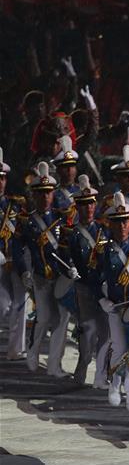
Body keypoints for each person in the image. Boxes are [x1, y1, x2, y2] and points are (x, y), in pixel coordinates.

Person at [16, 162, 77, 376]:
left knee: (62, 320)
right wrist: (24, 271)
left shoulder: (62, 218)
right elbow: (17, 248)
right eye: (41, 193)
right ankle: (32, 354)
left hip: (60, 277)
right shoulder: (27, 221)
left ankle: (54, 365)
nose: (45, 197)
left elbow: (70, 247)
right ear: (34, 195)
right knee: (43, 318)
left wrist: (72, 267)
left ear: (53, 194)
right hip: (41, 277)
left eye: (48, 193)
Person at [94, 192, 129, 411]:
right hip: (115, 307)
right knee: (119, 347)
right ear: (111, 224)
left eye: (125, 221)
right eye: (117, 222)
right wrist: (101, 299)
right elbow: (94, 279)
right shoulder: (103, 250)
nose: (122, 226)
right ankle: (114, 386)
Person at [65, 175, 109, 386]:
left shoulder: (104, 230)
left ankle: (101, 375)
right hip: (84, 288)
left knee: (106, 334)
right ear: (78, 207)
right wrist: (69, 269)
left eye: (91, 203)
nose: (88, 208)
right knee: (88, 331)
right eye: (84, 205)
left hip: (104, 288)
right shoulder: (72, 234)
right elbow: (64, 257)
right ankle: (81, 369)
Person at [0, 150, 28, 360]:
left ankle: (15, 349)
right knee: (3, 306)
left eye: (2, 178)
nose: (0, 183)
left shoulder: (15, 204)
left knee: (21, 303)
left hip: (14, 259)